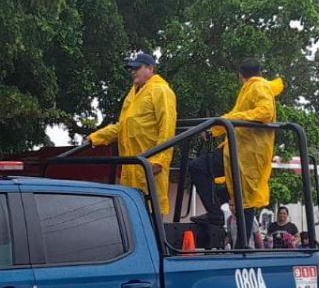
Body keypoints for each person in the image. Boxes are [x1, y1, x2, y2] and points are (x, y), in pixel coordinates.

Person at [189, 58, 284, 247]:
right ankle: (217, 214)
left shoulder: (258, 88)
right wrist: (217, 128)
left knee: (245, 200)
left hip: (249, 153)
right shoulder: (250, 88)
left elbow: (264, 112)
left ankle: (240, 244)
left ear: (240, 75)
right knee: (234, 191)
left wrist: (225, 122)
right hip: (237, 150)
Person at [89, 53, 178, 215]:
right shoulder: (133, 94)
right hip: (131, 167)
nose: (133, 72)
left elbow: (167, 127)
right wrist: (96, 138)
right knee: (131, 214)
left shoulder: (161, 90)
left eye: (137, 68)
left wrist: (159, 161)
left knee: (150, 213)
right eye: (131, 69)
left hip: (149, 167)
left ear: (150, 68)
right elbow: (122, 127)